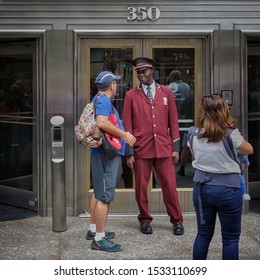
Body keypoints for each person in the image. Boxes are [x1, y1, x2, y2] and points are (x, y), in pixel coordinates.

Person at [122, 57, 184, 236]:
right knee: (141, 187)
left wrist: (176, 148)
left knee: (170, 186)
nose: (141, 75)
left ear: (152, 71)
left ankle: (177, 220)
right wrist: (129, 152)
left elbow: (173, 121)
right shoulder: (130, 95)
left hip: (164, 147)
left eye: (144, 71)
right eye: (138, 72)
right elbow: (127, 125)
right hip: (141, 147)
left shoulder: (166, 92)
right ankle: (145, 219)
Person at [187, 94, 253, 260]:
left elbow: (195, 156)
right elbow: (249, 149)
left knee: (203, 234)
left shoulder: (192, 133)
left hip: (202, 189)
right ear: (223, 110)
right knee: (230, 239)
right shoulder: (231, 134)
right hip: (229, 190)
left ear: (202, 111)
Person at [87, 71, 136, 252]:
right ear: (111, 85)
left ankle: (93, 230)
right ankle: (99, 239)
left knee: (98, 193)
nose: (116, 85)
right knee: (105, 197)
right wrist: (125, 134)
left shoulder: (97, 98)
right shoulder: (104, 100)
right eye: (115, 83)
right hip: (106, 154)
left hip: (99, 152)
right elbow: (102, 122)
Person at [167, 70, 193, 176]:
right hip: (186, 116)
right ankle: (185, 158)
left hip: (175, 114)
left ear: (172, 77)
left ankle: (177, 156)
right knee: (185, 139)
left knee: (177, 136)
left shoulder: (169, 87)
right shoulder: (187, 86)